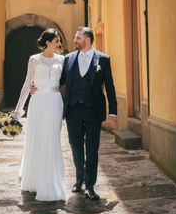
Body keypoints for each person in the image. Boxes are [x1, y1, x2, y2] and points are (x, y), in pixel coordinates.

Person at [60, 27, 117, 201]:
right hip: (73, 110)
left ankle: (90, 186)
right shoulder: (68, 59)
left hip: (93, 111)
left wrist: (113, 111)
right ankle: (79, 179)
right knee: (76, 147)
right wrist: (39, 84)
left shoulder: (103, 59)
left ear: (88, 39)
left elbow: (110, 87)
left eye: (78, 37)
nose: (75, 40)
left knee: (92, 149)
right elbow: (59, 81)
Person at [13, 29, 68, 202]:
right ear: (48, 42)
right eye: (56, 40)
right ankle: (36, 181)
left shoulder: (62, 59)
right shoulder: (34, 60)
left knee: (52, 140)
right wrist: (18, 110)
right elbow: (27, 84)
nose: (59, 43)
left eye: (59, 40)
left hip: (55, 102)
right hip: (37, 103)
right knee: (37, 139)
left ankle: (52, 183)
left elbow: (67, 81)